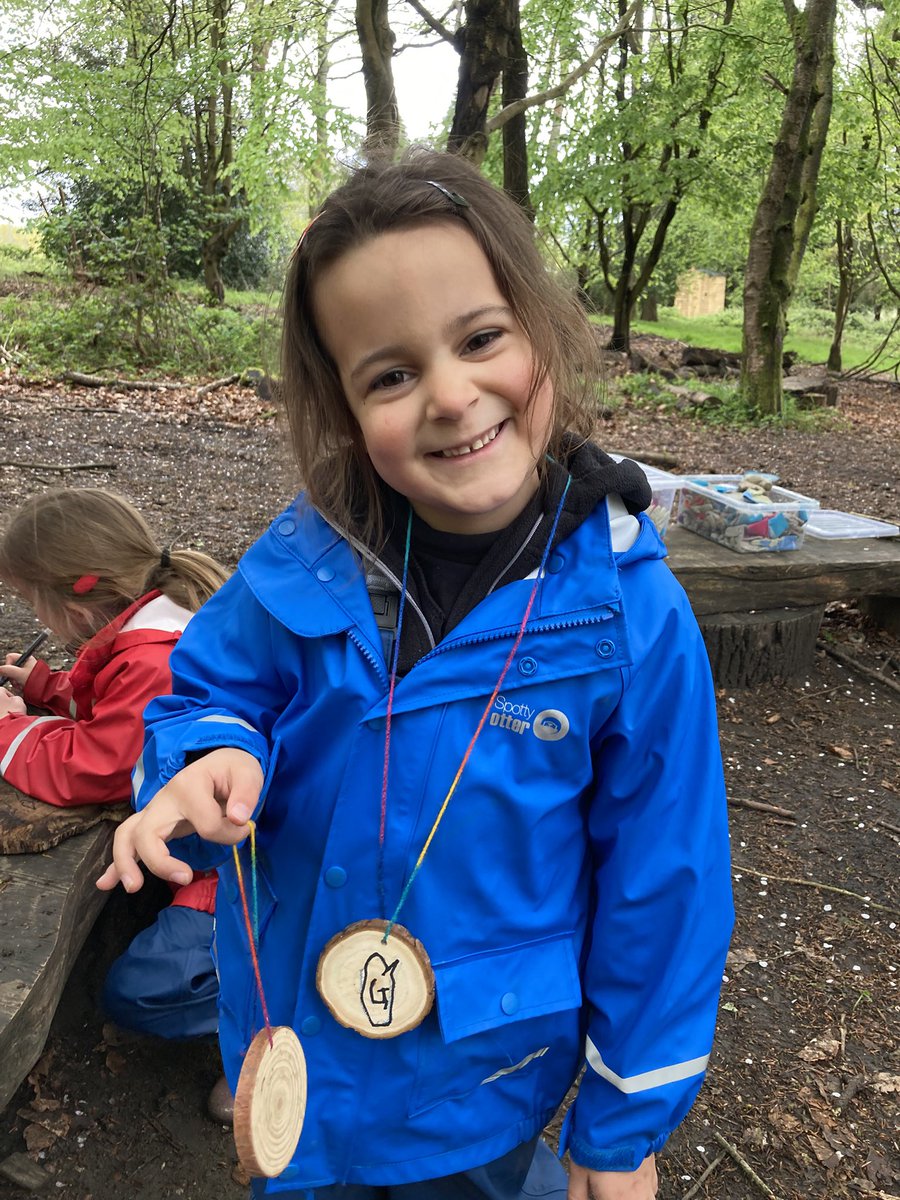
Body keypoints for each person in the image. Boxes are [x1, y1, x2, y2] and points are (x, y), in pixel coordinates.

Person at [97, 150, 733, 1200]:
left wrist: (623, 1125)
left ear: (541, 333)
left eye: (481, 339)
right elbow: (211, 688)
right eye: (390, 374)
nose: (450, 394)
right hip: (293, 1040)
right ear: (346, 410)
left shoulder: (628, 616)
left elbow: (665, 887)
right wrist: (208, 751)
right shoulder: (303, 558)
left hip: (477, 1076)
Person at [0, 487, 230, 1097]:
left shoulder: (156, 656)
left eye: (29, 600)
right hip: (203, 832)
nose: (32, 619)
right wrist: (43, 687)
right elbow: (114, 706)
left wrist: (7, 728)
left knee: (141, 993)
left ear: (76, 598)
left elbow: (96, 765)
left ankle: (279, 1019)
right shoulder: (146, 626)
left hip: (241, 861)